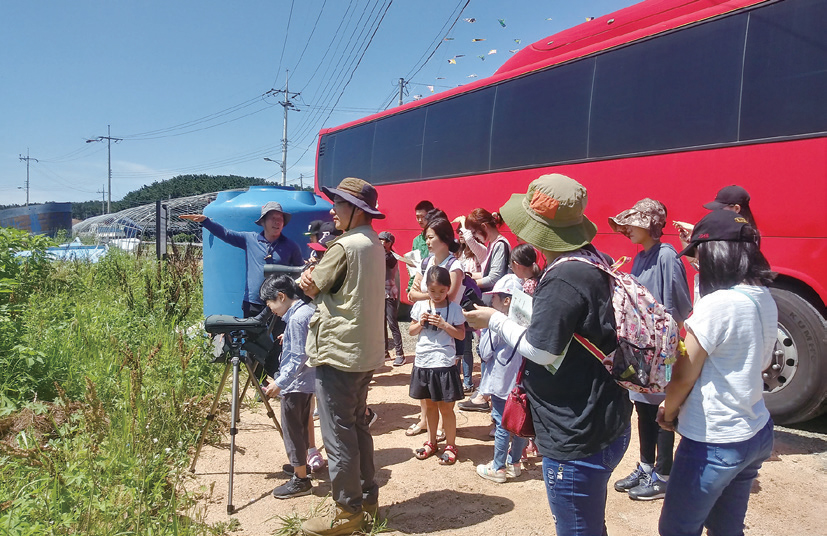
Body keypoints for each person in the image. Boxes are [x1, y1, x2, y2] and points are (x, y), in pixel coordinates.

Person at [464, 173, 632, 536]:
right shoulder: (592, 260)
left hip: (576, 433)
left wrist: (494, 319)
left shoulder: (562, 277)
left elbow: (541, 349)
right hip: (605, 417)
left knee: (576, 528)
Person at [657, 209, 776, 536]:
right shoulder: (761, 294)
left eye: (700, 256)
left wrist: (668, 410)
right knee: (726, 527)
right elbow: (760, 360)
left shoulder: (719, 305)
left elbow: (683, 375)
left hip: (714, 440)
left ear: (716, 256)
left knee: (676, 529)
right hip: (755, 430)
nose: (698, 263)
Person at [298, 177, 385, 536]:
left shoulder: (343, 246)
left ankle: (346, 514)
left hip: (338, 352)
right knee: (357, 425)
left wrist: (307, 280)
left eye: (339, 204)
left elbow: (313, 285)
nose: (333, 209)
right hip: (363, 352)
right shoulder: (374, 243)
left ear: (356, 210)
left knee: (337, 434)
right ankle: (368, 502)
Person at [608, 198, 693, 501]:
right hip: (638, 350)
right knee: (643, 409)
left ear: (650, 225)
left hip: (659, 351)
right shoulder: (640, 256)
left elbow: (681, 305)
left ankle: (664, 473)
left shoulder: (667, 256)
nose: (627, 229)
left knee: (661, 410)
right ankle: (646, 466)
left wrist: (662, 340)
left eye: (633, 223)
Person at [182, 202, 303, 317]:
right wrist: (206, 221)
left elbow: (299, 274)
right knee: (252, 337)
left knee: (280, 338)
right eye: (273, 218)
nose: (277, 222)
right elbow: (226, 234)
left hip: (279, 303)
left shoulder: (291, 246)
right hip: (253, 302)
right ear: (263, 222)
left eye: (280, 219)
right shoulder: (250, 239)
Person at [405, 216, 465, 439]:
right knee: (427, 388)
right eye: (426, 238)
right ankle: (426, 423)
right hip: (427, 344)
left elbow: (447, 296)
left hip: (448, 330)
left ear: (444, 238)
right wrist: (423, 295)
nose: (427, 242)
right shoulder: (427, 261)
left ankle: (443, 432)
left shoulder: (454, 265)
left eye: (430, 237)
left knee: (444, 389)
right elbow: (412, 291)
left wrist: (424, 294)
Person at [258, 275, 316, 499]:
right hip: (306, 382)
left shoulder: (296, 319)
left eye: (270, 303)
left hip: (295, 384)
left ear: (281, 297)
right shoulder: (306, 311)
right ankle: (301, 466)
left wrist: (279, 383)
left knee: (292, 429)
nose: (270, 309)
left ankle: (300, 479)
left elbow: (298, 356)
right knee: (301, 425)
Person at [408, 265, 466, 466]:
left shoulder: (455, 309)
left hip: (444, 363)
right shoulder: (420, 306)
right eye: (432, 291)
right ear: (427, 289)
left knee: (446, 409)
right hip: (423, 362)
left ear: (448, 288)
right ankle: (431, 442)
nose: (437, 295)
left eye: (442, 291)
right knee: (430, 407)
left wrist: (444, 325)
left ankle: (451, 445)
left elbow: (461, 335)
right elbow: (411, 331)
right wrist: (421, 323)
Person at [474, 274, 528, 483]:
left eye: (495, 296)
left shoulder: (497, 323)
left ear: (507, 300)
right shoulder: (524, 322)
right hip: (521, 380)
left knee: (501, 423)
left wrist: (483, 330)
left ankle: (498, 467)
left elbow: (485, 352)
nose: (491, 300)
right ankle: (514, 463)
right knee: (520, 422)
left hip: (500, 380)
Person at [379, 231, 405, 366]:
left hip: (390, 294)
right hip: (379, 293)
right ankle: (384, 352)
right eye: (379, 240)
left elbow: (386, 262)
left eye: (384, 240)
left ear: (390, 243)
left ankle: (400, 353)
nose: (381, 242)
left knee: (392, 323)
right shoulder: (378, 254)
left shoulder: (391, 256)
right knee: (380, 323)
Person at [406, 200, 435, 293]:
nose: (419, 220)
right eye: (417, 217)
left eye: (422, 217)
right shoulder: (417, 240)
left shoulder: (439, 237)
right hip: (419, 285)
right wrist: (411, 287)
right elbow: (412, 268)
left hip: (435, 286)